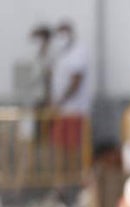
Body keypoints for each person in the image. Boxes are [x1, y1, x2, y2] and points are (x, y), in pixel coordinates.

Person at [49, 20, 93, 151]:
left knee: (72, 145)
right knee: (60, 144)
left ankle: (77, 170)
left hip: (75, 109)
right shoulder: (61, 54)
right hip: (63, 110)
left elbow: (76, 81)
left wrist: (59, 101)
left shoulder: (78, 51)